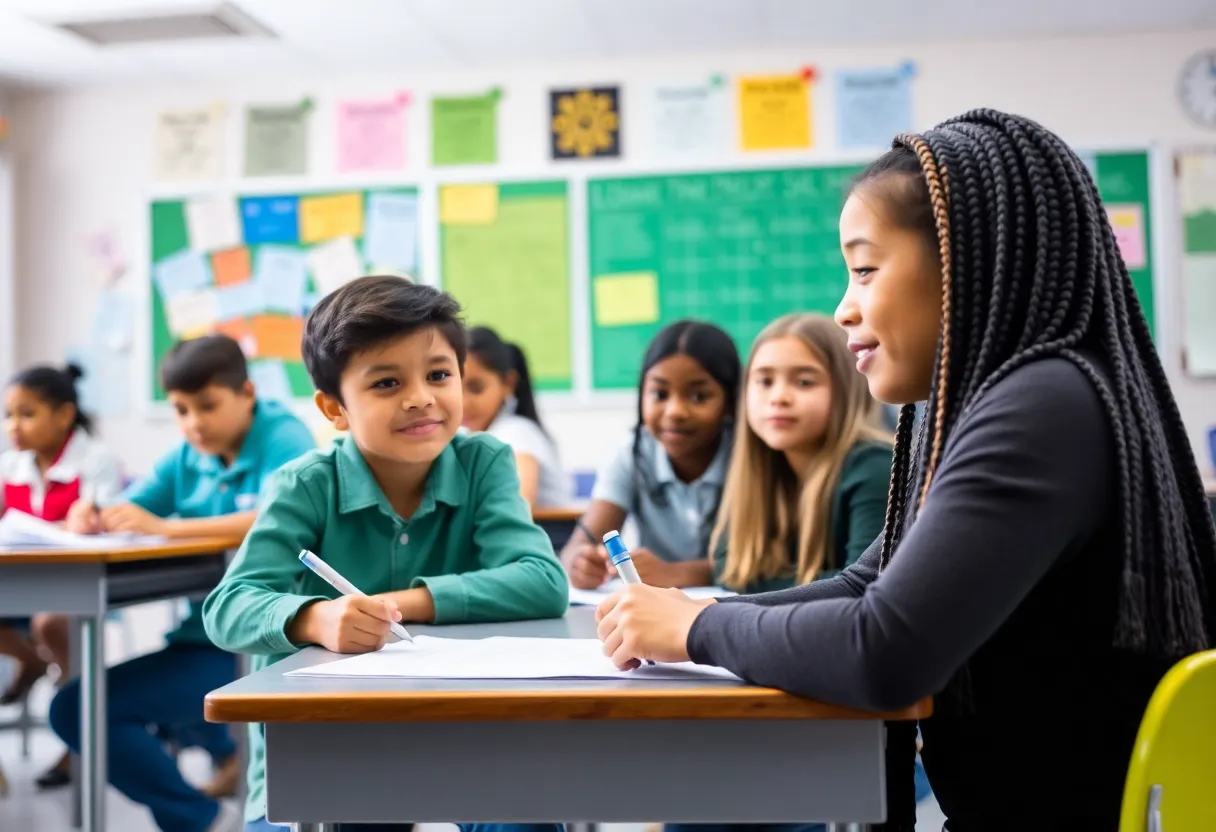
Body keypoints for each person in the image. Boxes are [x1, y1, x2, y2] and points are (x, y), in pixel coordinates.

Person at [593, 110, 1216, 830]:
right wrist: (693, 615)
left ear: (965, 261)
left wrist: (697, 632)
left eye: (864, 269)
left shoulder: (1042, 406)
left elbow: (885, 649)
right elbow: (868, 582)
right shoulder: (967, 405)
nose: (843, 307)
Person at [202, 276, 568, 832]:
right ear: (334, 409)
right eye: (387, 382)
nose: (420, 396)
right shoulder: (305, 484)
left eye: (439, 375)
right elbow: (227, 607)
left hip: (462, 737)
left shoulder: (485, 462)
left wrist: (408, 601)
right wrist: (313, 616)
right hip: (322, 751)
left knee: (524, 819)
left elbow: (543, 581)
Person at [52, 334, 316, 832]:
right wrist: (91, 516)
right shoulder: (185, 457)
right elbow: (133, 510)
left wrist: (168, 527)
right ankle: (198, 817)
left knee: (83, 708)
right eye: (181, 410)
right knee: (73, 708)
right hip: (205, 642)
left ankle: (208, 790)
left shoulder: (286, 437)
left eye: (208, 406)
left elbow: (280, 517)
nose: (194, 423)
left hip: (272, 647)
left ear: (248, 394)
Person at [0, 363, 123, 787]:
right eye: (8, 415)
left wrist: (90, 520)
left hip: (77, 587)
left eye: (27, 414)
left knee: (50, 622)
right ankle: (31, 662)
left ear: (65, 414)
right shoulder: (10, 466)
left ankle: (76, 743)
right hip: (17, 586)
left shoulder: (96, 461)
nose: (14, 426)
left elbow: (108, 523)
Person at [712, 313, 891, 595]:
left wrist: (760, 581)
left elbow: (863, 588)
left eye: (805, 382)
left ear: (846, 390)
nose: (779, 397)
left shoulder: (875, 466)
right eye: (764, 381)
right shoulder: (760, 469)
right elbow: (729, 571)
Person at [561, 321, 741, 590]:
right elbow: (578, 545)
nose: (675, 412)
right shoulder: (632, 453)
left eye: (698, 396)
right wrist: (579, 562)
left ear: (730, 402)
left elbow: (771, 561)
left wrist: (678, 573)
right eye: (659, 394)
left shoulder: (749, 457)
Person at [462, 326, 571, 508]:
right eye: (453, 388)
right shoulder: (465, 437)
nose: (464, 402)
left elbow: (517, 506)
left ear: (508, 383)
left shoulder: (516, 432)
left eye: (476, 388)